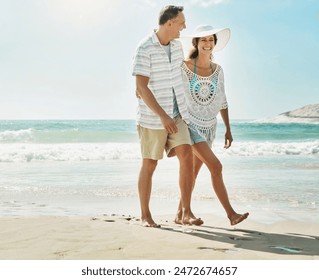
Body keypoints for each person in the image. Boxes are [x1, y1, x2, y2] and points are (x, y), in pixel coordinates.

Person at [132, 5, 202, 227]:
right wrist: (163, 116)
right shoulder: (144, 48)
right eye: (181, 23)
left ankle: (185, 213)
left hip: (178, 113)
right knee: (150, 164)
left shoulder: (177, 47)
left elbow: (180, 76)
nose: (184, 27)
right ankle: (145, 215)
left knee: (187, 156)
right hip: (153, 118)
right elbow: (142, 87)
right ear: (169, 23)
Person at [175, 25, 249, 226]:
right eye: (203, 40)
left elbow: (222, 100)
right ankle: (231, 214)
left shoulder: (218, 71)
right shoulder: (184, 67)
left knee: (193, 173)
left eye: (210, 40)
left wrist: (228, 128)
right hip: (189, 125)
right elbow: (174, 92)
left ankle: (178, 214)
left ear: (214, 44)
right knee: (216, 166)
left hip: (210, 127)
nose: (207, 44)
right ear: (196, 43)